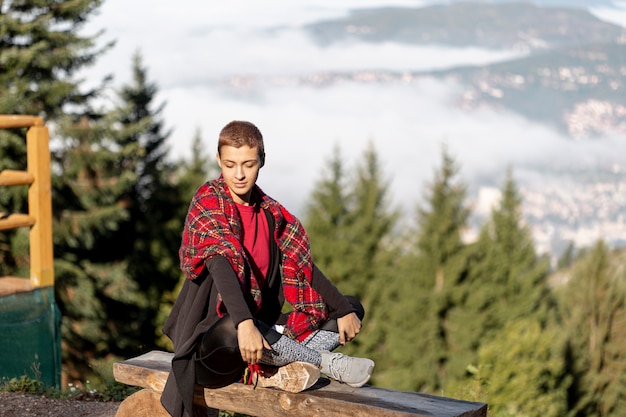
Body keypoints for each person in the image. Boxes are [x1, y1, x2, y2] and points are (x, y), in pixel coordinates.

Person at [160, 120, 375, 417]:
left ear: (262, 160)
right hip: (215, 348)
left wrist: (344, 309)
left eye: (248, 164)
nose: (238, 174)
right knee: (235, 328)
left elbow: (304, 268)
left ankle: (279, 366)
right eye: (230, 164)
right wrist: (245, 323)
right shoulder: (209, 202)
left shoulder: (272, 214)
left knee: (349, 307)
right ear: (218, 160)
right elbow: (220, 264)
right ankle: (322, 364)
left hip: (264, 332)